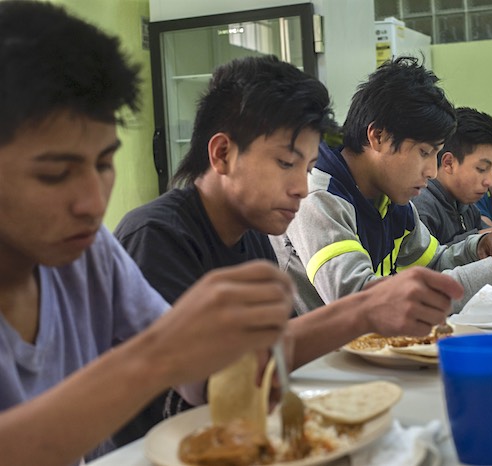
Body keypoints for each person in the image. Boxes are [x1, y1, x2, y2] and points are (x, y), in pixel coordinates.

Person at [0, 2, 296, 465]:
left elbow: (186, 365)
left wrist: (234, 359)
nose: (93, 203)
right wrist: (164, 353)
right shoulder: (155, 232)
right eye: (56, 173)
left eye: (103, 163)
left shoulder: (91, 253)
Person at [114, 55, 465, 442]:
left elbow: (266, 368)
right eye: (286, 163)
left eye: (308, 166)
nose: (301, 186)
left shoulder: (252, 238)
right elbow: (212, 384)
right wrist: (363, 309)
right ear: (222, 154)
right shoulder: (156, 237)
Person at [270, 57, 492, 316]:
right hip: (314, 357)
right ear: (379, 137)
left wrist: (477, 248)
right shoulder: (319, 196)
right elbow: (354, 299)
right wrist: (488, 274)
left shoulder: (392, 200)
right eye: (424, 152)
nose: (432, 171)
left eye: (436, 154)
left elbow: (432, 262)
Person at [412, 107, 492, 247]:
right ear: (449, 163)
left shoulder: (466, 206)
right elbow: (429, 264)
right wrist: (477, 240)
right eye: (481, 169)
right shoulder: (422, 207)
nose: (490, 181)